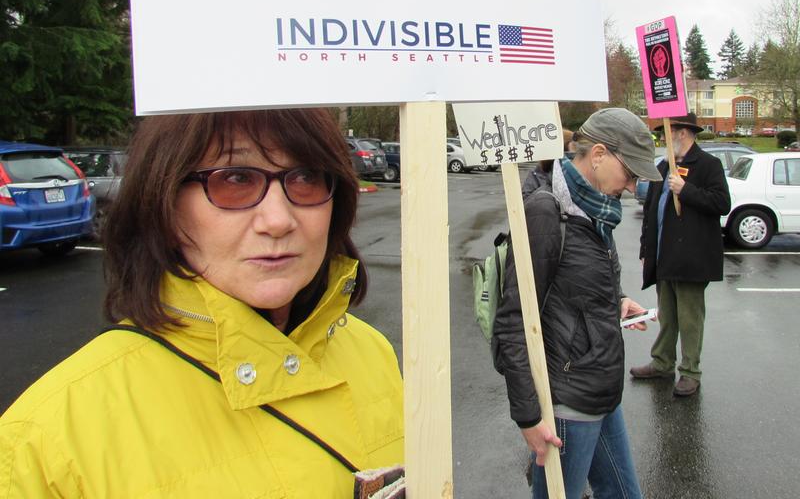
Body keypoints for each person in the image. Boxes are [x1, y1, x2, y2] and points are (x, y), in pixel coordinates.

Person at [0, 109, 404, 497]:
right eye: (235, 179)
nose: (278, 219)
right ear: (165, 202)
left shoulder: (372, 353)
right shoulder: (46, 442)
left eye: (306, 178)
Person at [493, 108, 661, 499]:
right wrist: (528, 417)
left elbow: (579, 283)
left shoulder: (597, 209)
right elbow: (513, 320)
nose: (632, 186)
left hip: (602, 388)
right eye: (630, 173)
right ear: (598, 154)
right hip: (568, 402)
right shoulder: (546, 212)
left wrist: (618, 301)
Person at [631, 112, 731, 397]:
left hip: (692, 256)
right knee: (667, 316)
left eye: (667, 132)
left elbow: (722, 203)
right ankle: (662, 362)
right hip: (664, 255)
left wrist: (686, 190)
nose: (664, 138)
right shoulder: (663, 166)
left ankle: (690, 371)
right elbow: (651, 210)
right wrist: (646, 248)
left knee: (689, 319)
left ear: (683, 132)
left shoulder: (708, 165)